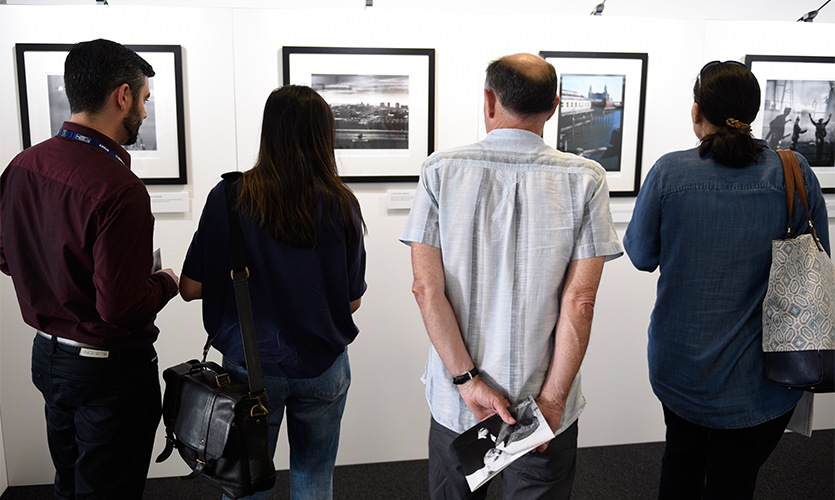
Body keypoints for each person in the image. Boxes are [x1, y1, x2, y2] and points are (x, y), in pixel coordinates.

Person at [400, 53, 622, 500]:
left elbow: (426, 289)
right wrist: (554, 401)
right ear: (555, 105)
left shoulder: (440, 170)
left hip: (460, 401)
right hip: (543, 398)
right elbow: (581, 302)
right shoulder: (587, 178)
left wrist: (468, 382)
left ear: (488, 100)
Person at [623, 61, 830, 500]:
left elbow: (641, 256)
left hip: (681, 367)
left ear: (696, 112)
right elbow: (817, 261)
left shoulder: (669, 173)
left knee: (680, 462)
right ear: (752, 113)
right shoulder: (794, 172)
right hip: (764, 373)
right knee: (734, 481)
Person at [0, 39, 180, 499]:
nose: (143, 110)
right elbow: (121, 307)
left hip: (48, 359)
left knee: (70, 482)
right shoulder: (119, 188)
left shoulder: (22, 165)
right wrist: (165, 283)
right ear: (122, 96)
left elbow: (6, 256)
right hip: (108, 374)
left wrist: (58, 279)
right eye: (143, 99)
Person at [180, 85, 367, 500]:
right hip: (322, 364)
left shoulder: (230, 196)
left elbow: (190, 288)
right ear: (324, 136)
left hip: (249, 365)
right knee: (314, 475)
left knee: (245, 482)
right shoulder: (342, 203)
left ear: (269, 132)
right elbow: (351, 301)